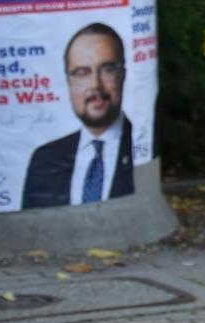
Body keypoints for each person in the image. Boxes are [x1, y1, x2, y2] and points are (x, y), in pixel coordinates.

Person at [22, 23, 134, 209]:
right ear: (69, 82)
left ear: (123, 74)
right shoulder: (44, 160)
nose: (95, 86)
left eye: (107, 69)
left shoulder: (141, 146)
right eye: (82, 73)